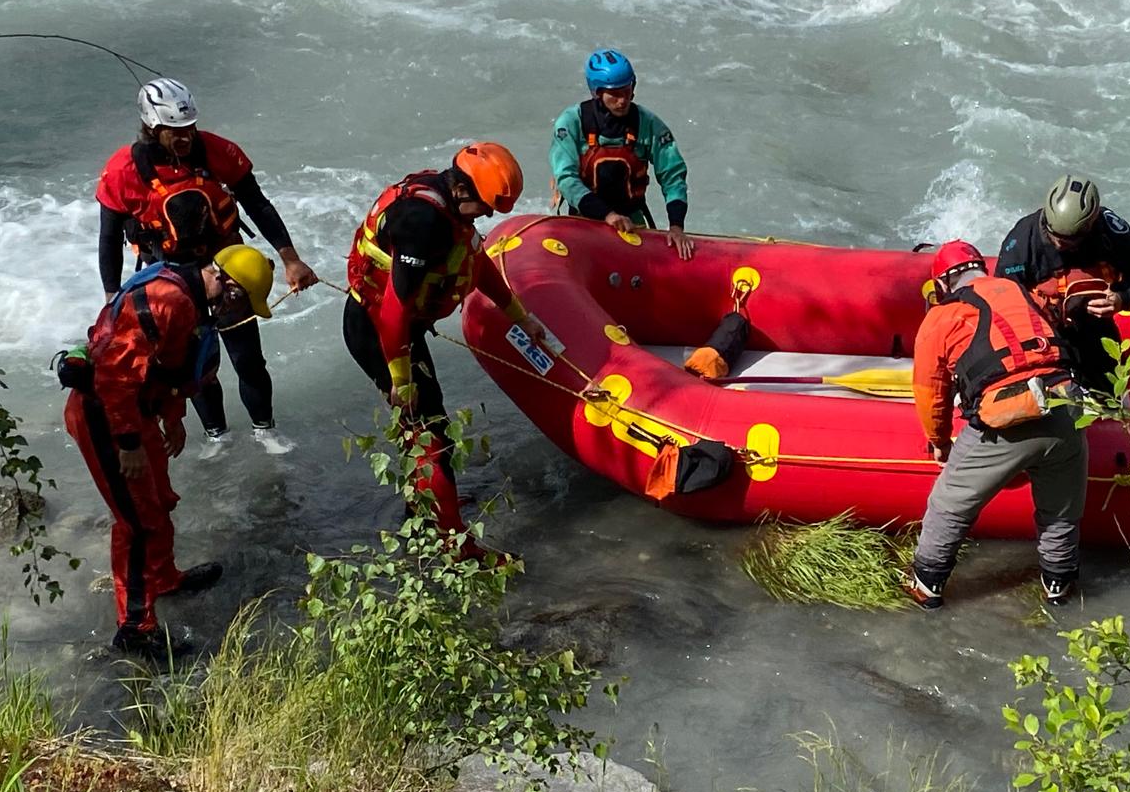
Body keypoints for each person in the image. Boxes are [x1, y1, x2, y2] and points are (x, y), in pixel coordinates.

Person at [63, 245, 275, 662]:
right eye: (241, 302)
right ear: (227, 286)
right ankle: (134, 630)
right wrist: (128, 444)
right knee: (137, 522)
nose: (237, 313)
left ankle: (162, 578)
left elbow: (170, 366)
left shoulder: (190, 299)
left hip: (135, 413)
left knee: (159, 504)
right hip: (105, 416)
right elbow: (115, 376)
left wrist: (173, 419)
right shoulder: (170, 302)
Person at [95, 78, 319, 455]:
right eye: (174, 132)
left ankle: (264, 429)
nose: (185, 138)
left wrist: (290, 258)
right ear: (153, 127)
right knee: (191, 368)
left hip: (225, 268)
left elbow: (257, 203)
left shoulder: (217, 152)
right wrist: (111, 297)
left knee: (247, 358)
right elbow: (109, 237)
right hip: (168, 280)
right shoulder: (122, 172)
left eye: (189, 129)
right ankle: (217, 434)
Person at [343, 143, 551, 538]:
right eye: (485, 207)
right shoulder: (423, 223)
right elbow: (393, 313)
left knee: (425, 422)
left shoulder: (451, 208)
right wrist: (400, 382)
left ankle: (423, 506)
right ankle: (452, 543)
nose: (487, 216)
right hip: (376, 330)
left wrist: (520, 318)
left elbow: (478, 263)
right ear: (460, 190)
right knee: (431, 433)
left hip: (400, 328)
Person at [906, 241, 1089, 609]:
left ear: (942, 285)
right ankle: (1060, 586)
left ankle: (927, 584)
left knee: (949, 504)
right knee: (1060, 512)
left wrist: (939, 441)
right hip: (1066, 405)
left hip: (1007, 414)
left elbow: (931, 390)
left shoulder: (942, 316)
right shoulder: (1020, 292)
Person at [994, 173, 1130, 393]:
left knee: (1109, 391)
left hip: (1093, 327)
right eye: (1056, 238)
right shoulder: (1022, 241)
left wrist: (1121, 298)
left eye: (1070, 241)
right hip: (1042, 333)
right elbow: (1002, 299)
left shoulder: (1110, 230)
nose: (1061, 245)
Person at [550, 49, 695, 260]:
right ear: (597, 93)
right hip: (582, 220)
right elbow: (565, 178)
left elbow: (673, 175)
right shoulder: (572, 123)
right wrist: (607, 215)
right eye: (614, 94)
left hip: (631, 221)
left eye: (627, 91)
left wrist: (676, 225)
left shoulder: (648, 124)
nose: (622, 101)